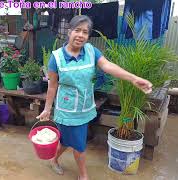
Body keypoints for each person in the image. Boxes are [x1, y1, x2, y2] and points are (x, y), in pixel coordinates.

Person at [36, 15, 152, 180]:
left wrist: (133, 78)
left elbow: (107, 66)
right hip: (67, 110)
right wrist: (47, 109)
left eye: (85, 32)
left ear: (88, 36)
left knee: (68, 141)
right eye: (77, 30)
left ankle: (53, 159)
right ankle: (83, 176)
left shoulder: (91, 51)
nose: (80, 35)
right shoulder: (57, 57)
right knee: (79, 145)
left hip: (85, 107)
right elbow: (52, 85)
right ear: (69, 32)